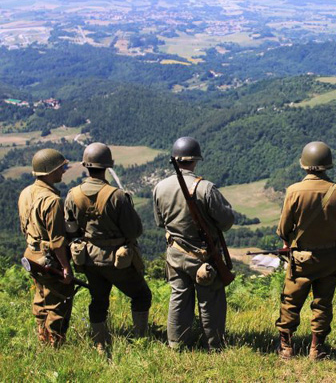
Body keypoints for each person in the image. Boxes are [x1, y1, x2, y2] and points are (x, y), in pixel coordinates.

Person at [64, 142, 151, 353]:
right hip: (117, 260)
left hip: (89, 260)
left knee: (98, 299)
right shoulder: (117, 196)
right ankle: (141, 340)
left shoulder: (73, 195)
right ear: (108, 166)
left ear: (86, 165)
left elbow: (71, 229)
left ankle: (100, 344)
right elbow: (134, 231)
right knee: (141, 295)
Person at [153, 137, 235, 350]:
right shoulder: (205, 188)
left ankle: (177, 344)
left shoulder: (160, 187)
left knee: (179, 297)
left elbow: (160, 222)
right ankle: (215, 345)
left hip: (175, 254)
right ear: (196, 159)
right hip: (205, 256)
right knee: (211, 300)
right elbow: (226, 222)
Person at [275, 141, 336, 360]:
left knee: (290, 302)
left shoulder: (294, 191)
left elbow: (283, 228)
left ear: (304, 164)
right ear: (328, 165)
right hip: (330, 258)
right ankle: (316, 349)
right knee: (323, 304)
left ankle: (287, 348)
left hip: (301, 259)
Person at [18, 148, 74, 347]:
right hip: (49, 259)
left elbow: (24, 227)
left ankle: (42, 339)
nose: (64, 171)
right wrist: (65, 267)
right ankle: (55, 346)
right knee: (59, 301)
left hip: (32, 256)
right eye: (61, 167)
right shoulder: (52, 201)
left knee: (41, 298)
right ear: (50, 171)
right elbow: (57, 240)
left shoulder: (26, 193)